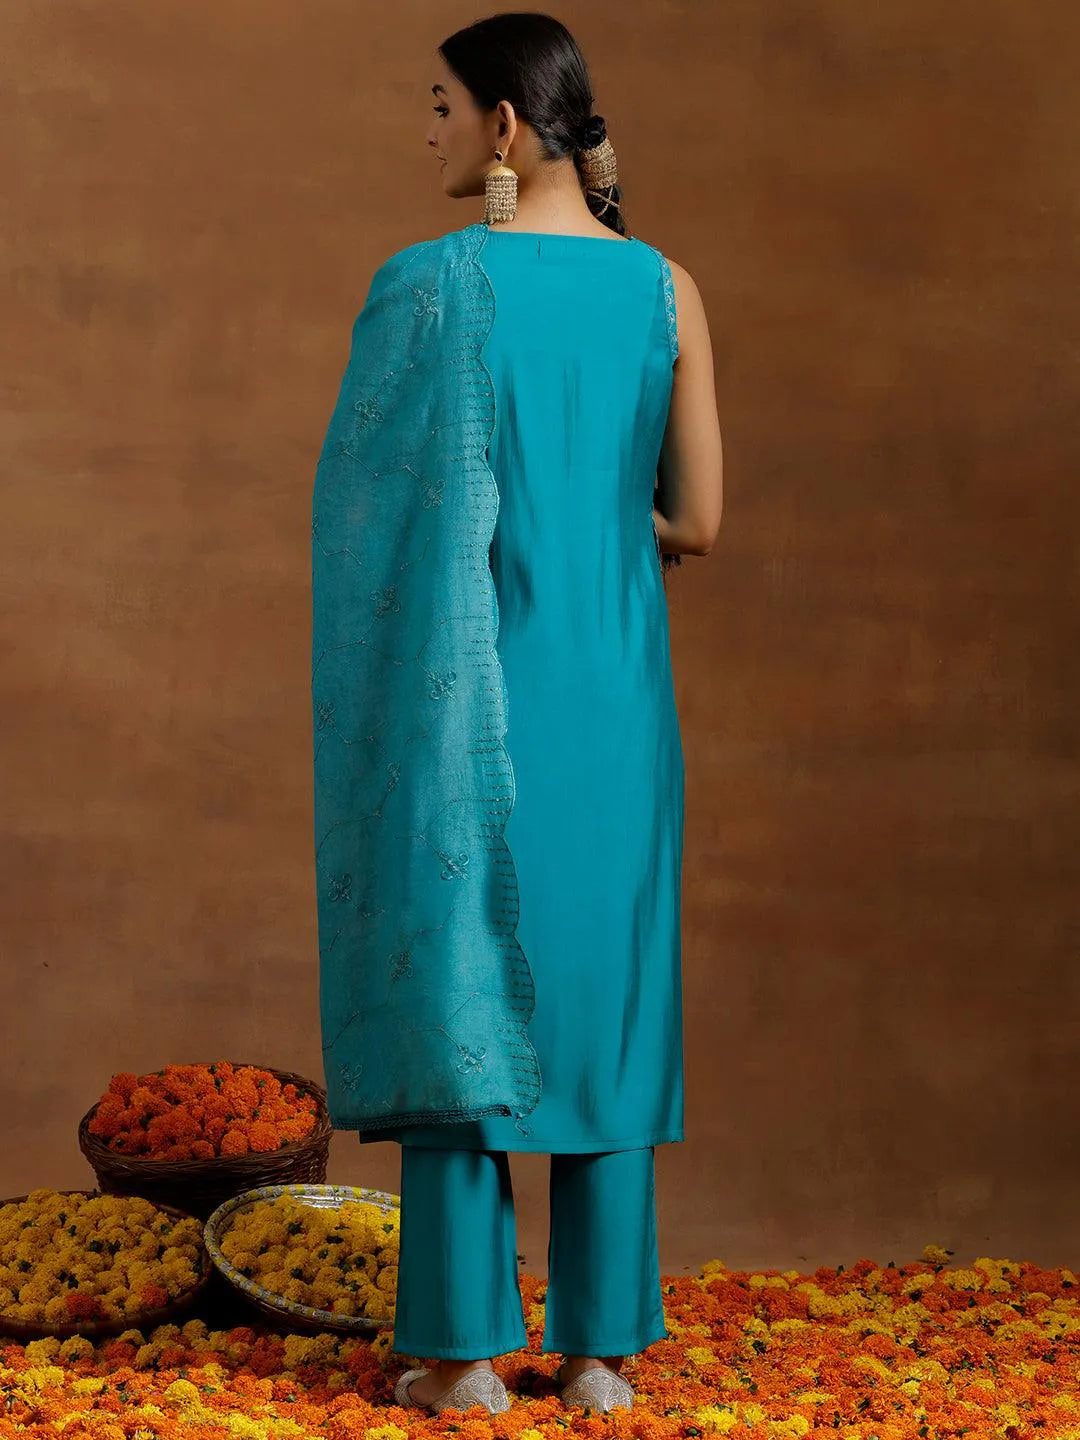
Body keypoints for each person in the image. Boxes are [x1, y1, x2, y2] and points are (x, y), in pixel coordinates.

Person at [311, 10, 723, 1419]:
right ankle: (601, 1352)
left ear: (502, 125)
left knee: (465, 978)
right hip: (616, 697)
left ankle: (463, 1351)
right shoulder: (666, 288)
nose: (426, 130)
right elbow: (700, 520)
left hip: (469, 697)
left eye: (439, 106)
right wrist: (603, 525)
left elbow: (366, 520)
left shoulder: (427, 287)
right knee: (605, 991)